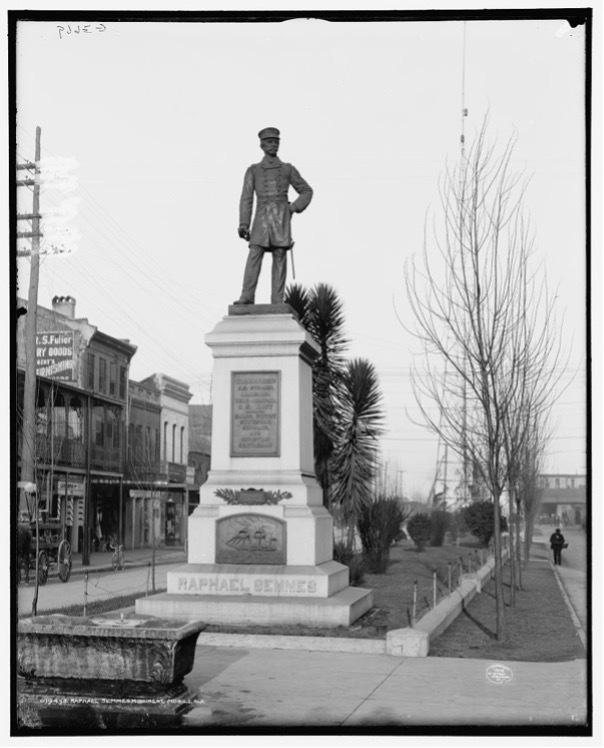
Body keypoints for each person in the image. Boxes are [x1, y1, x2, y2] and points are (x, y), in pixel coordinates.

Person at [234, 127, 313, 305]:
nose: (273, 145)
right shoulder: (253, 170)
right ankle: (247, 295)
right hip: (261, 216)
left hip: (281, 217)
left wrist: (292, 208)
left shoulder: (287, 169)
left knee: (279, 255)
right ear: (261, 145)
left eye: (276, 142)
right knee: (255, 253)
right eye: (269, 142)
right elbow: (246, 198)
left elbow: (306, 191)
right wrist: (244, 223)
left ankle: (277, 299)